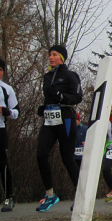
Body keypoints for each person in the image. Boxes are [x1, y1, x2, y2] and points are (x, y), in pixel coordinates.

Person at [36, 45, 83, 212]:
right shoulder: (47, 76)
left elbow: (78, 96)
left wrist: (62, 97)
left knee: (67, 158)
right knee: (41, 154)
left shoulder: (70, 75)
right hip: (50, 120)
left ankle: (80, 195)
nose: (51, 57)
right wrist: (44, 107)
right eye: (49, 54)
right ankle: (50, 195)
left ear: (62, 57)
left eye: (54, 54)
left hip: (66, 119)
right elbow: (49, 97)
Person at [0, 58, 19, 212]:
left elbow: (16, 112)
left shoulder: (7, 89)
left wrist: (6, 111)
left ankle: (8, 198)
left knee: (2, 164)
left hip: (0, 129)